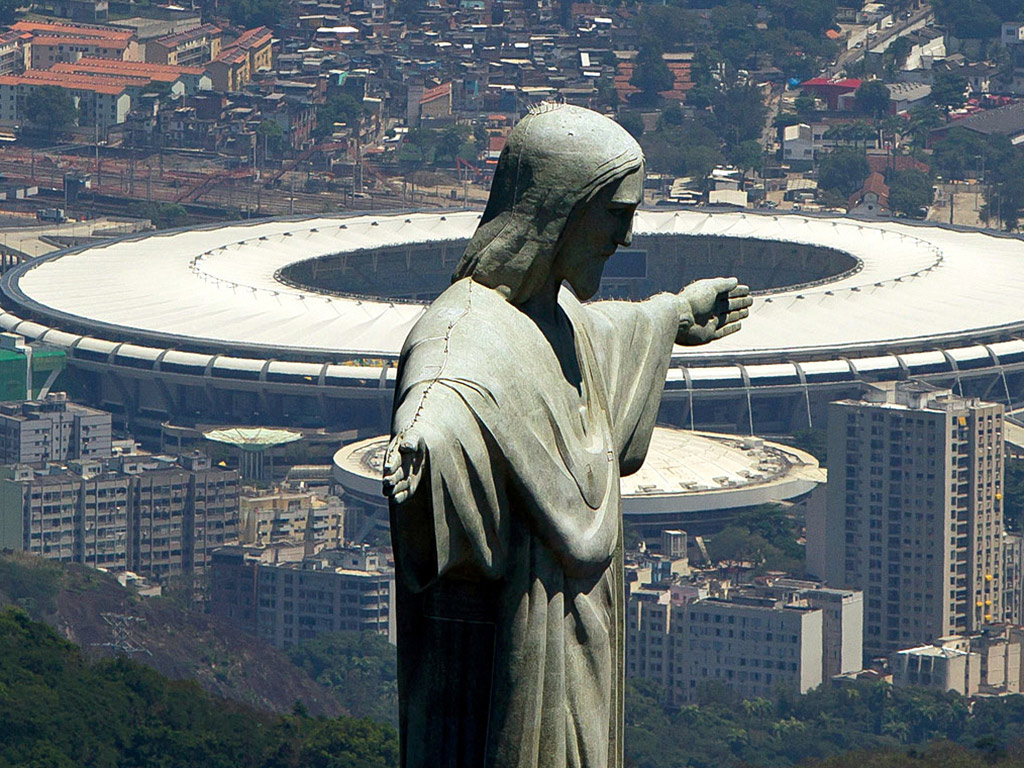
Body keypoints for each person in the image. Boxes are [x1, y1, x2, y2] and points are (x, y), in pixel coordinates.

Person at [383, 103, 750, 768]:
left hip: (581, 638)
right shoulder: (466, 328)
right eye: (616, 214)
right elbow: (444, 391)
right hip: (520, 643)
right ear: (561, 211)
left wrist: (672, 316)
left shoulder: (558, 318)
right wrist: (422, 447)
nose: (626, 238)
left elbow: (598, 339)